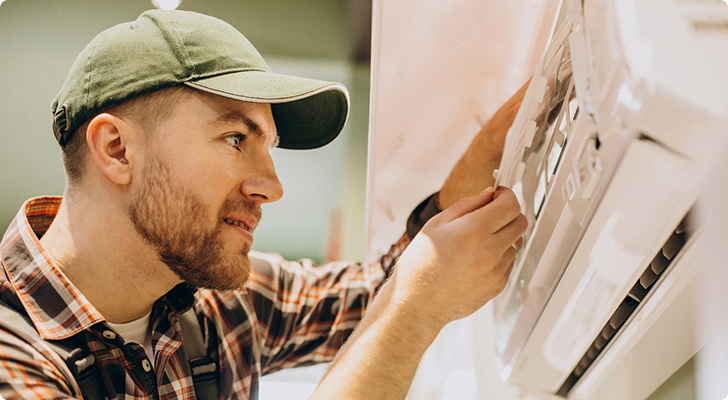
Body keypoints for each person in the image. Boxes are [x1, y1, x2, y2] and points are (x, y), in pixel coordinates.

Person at [0, 9, 527, 400]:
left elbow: (386, 286)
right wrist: (413, 316)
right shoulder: (14, 358)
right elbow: (404, 300)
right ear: (117, 150)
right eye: (235, 139)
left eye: (268, 147)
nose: (272, 188)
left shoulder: (220, 303)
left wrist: (489, 152)